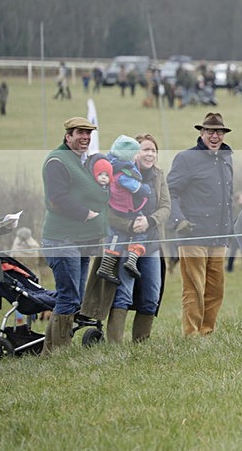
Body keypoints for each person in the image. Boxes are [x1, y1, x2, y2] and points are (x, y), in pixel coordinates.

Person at [82, 133, 171, 343]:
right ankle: (115, 344)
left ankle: (141, 342)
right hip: (122, 243)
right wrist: (130, 225)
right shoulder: (118, 174)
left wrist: (150, 220)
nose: (150, 154)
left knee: (151, 295)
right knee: (123, 293)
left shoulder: (159, 176)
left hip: (151, 244)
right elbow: (108, 210)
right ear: (133, 154)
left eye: (153, 150)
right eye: (145, 149)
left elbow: (166, 207)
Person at [41, 117, 108, 355]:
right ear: (67, 135)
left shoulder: (81, 161)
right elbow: (56, 200)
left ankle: (50, 352)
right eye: (80, 132)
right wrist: (87, 214)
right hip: (61, 240)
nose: (85, 137)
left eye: (88, 134)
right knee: (69, 298)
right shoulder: (57, 161)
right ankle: (59, 353)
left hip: (82, 242)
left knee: (74, 299)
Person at [167, 112, 234, 336]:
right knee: (195, 287)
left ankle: (207, 331)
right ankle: (192, 333)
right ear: (201, 133)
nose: (215, 136)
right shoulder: (186, 159)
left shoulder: (227, 158)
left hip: (219, 236)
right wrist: (178, 221)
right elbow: (170, 192)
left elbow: (227, 197)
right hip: (193, 234)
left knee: (216, 289)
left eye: (219, 132)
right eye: (210, 131)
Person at [95, 135, 152, 284]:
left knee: (114, 237)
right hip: (129, 209)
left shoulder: (110, 167)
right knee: (140, 233)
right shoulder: (124, 173)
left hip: (116, 208)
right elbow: (136, 188)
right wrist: (146, 189)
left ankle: (106, 267)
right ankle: (132, 260)